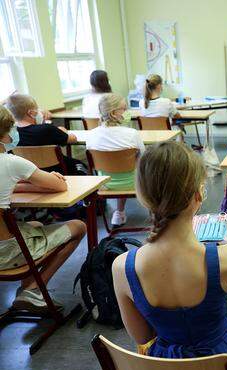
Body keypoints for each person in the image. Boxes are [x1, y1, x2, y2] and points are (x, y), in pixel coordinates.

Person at [112, 114, 227, 370]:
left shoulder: (122, 267)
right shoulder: (222, 261)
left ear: (143, 197)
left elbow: (143, 337)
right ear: (198, 195)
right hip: (225, 365)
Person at [0, 106, 86, 313]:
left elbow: (11, 185)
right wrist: (54, 178)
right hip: (7, 253)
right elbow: (60, 186)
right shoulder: (11, 163)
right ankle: (34, 289)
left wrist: (23, 185)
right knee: (78, 226)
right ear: (4, 134)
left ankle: (28, 289)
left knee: (35, 224)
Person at [85, 94, 145, 227]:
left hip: (104, 184)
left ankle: (119, 213)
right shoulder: (132, 134)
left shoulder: (91, 135)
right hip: (133, 183)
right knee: (134, 170)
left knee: (116, 172)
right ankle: (154, 214)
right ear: (113, 113)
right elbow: (144, 159)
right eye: (124, 109)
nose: (127, 112)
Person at [6, 94, 84, 174]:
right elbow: (73, 139)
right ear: (31, 113)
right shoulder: (47, 129)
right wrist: (63, 130)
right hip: (58, 172)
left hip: (30, 174)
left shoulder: (8, 135)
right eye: (37, 109)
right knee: (81, 165)